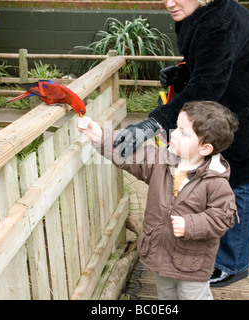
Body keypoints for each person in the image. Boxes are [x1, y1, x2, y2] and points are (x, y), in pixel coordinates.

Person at [113, 0, 249, 287]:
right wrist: (183, 73)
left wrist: (154, 123)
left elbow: (209, 84)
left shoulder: (220, 19)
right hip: (241, 95)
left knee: (242, 172)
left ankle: (233, 264)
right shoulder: (197, 12)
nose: (169, 3)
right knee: (232, 169)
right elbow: (217, 61)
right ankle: (227, 252)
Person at [79, 101, 239, 299]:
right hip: (160, 255)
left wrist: (191, 224)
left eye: (183, 132)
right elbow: (131, 154)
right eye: (176, 127)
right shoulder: (162, 160)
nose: (173, 134)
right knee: (165, 296)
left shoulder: (215, 181)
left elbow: (223, 218)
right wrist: (101, 136)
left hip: (191, 264)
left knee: (193, 297)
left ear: (205, 148)